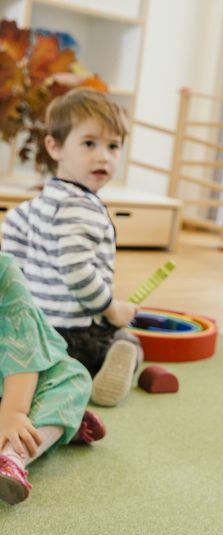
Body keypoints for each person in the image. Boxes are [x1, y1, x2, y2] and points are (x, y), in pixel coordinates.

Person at [1, 88, 142, 408]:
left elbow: (12, 254)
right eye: (89, 143)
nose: (103, 156)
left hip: (34, 332)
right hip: (75, 333)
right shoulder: (82, 207)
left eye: (113, 146)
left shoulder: (32, 205)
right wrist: (111, 308)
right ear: (55, 147)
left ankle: (37, 374)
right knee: (128, 341)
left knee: (33, 361)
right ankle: (97, 371)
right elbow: (77, 270)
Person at [0, 253, 106, 505]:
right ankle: (60, 424)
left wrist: (13, 413)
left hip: (23, 378)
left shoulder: (5, 275)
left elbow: (24, 353)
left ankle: (13, 457)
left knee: (74, 378)